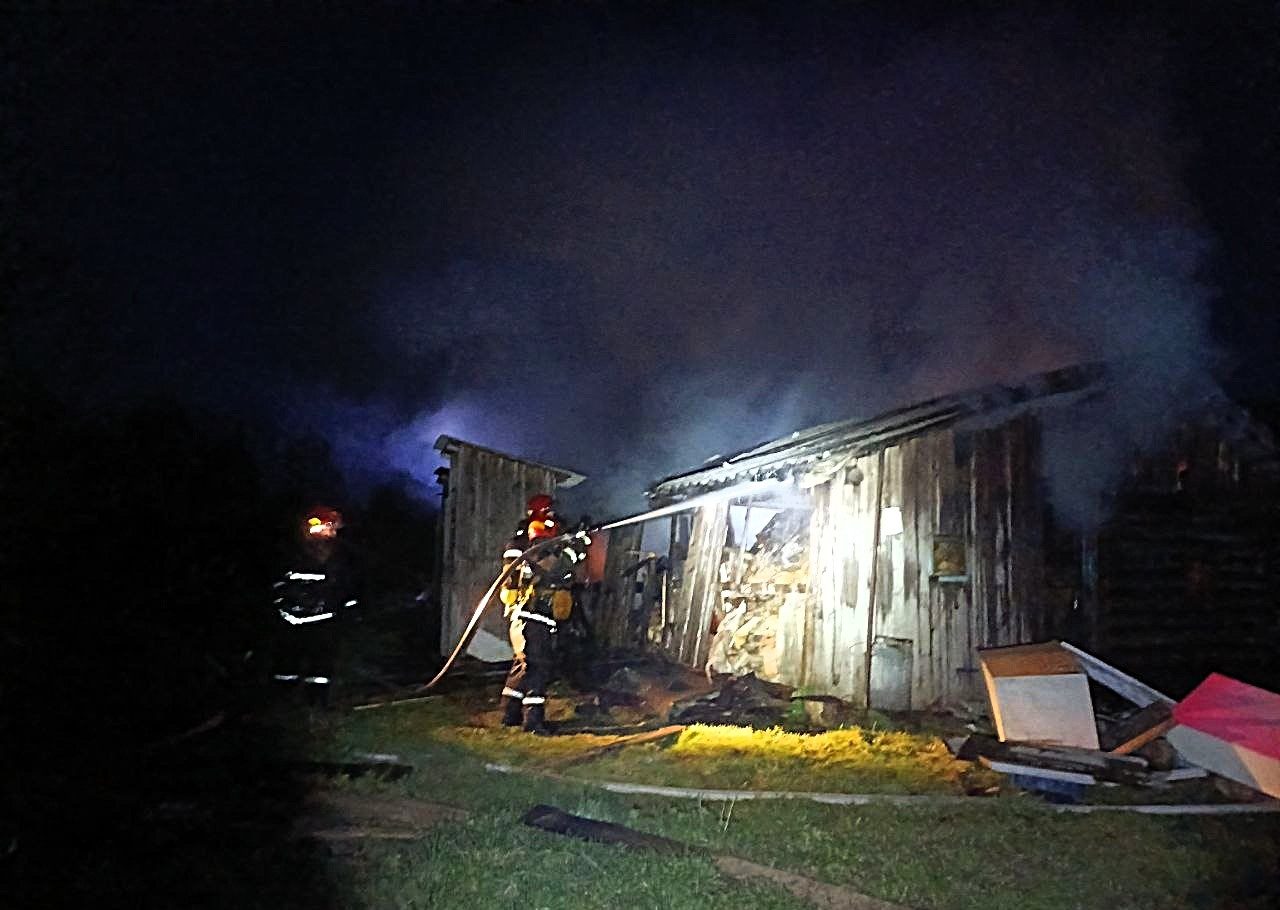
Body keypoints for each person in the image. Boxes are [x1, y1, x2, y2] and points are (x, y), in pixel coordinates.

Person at [497, 494, 589, 733]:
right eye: (550, 513)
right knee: (539, 667)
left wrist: (577, 542)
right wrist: (572, 545)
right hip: (533, 615)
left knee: (523, 664)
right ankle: (534, 722)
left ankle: (509, 714)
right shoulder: (535, 545)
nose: (554, 518)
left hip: (529, 616)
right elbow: (557, 570)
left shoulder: (525, 543)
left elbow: (572, 563)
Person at [270, 505, 358, 707]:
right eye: (325, 526)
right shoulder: (292, 552)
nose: (329, 531)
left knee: (320, 665)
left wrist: (348, 609)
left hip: (323, 622)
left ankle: (316, 700)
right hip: (292, 620)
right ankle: (284, 700)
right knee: (288, 664)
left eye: (332, 527)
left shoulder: (341, 555)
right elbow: (279, 583)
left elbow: (348, 586)